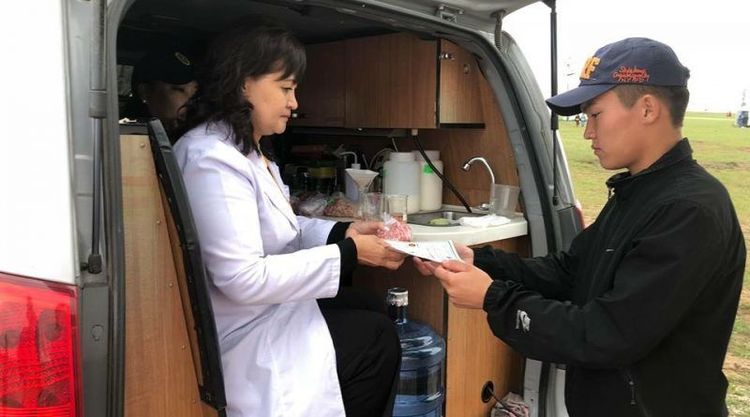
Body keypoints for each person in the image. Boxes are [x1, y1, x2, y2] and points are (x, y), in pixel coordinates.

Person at [414, 37, 745, 417]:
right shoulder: (640, 191)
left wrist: (493, 298)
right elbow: (570, 272)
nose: (588, 132)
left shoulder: (688, 210)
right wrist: (482, 262)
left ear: (647, 109)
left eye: (595, 115)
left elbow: (608, 334)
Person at [172, 20, 405, 417]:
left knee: (368, 304)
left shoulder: (245, 149)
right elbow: (241, 278)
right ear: (242, 83)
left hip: (267, 310)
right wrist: (350, 254)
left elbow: (281, 229)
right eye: (285, 88)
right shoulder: (211, 159)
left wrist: (344, 231)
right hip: (244, 333)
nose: (294, 102)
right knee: (377, 340)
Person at [127, 48, 198, 137]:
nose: (192, 100)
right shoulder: (126, 135)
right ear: (144, 92)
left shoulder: (199, 134)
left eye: (195, 92)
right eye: (179, 89)